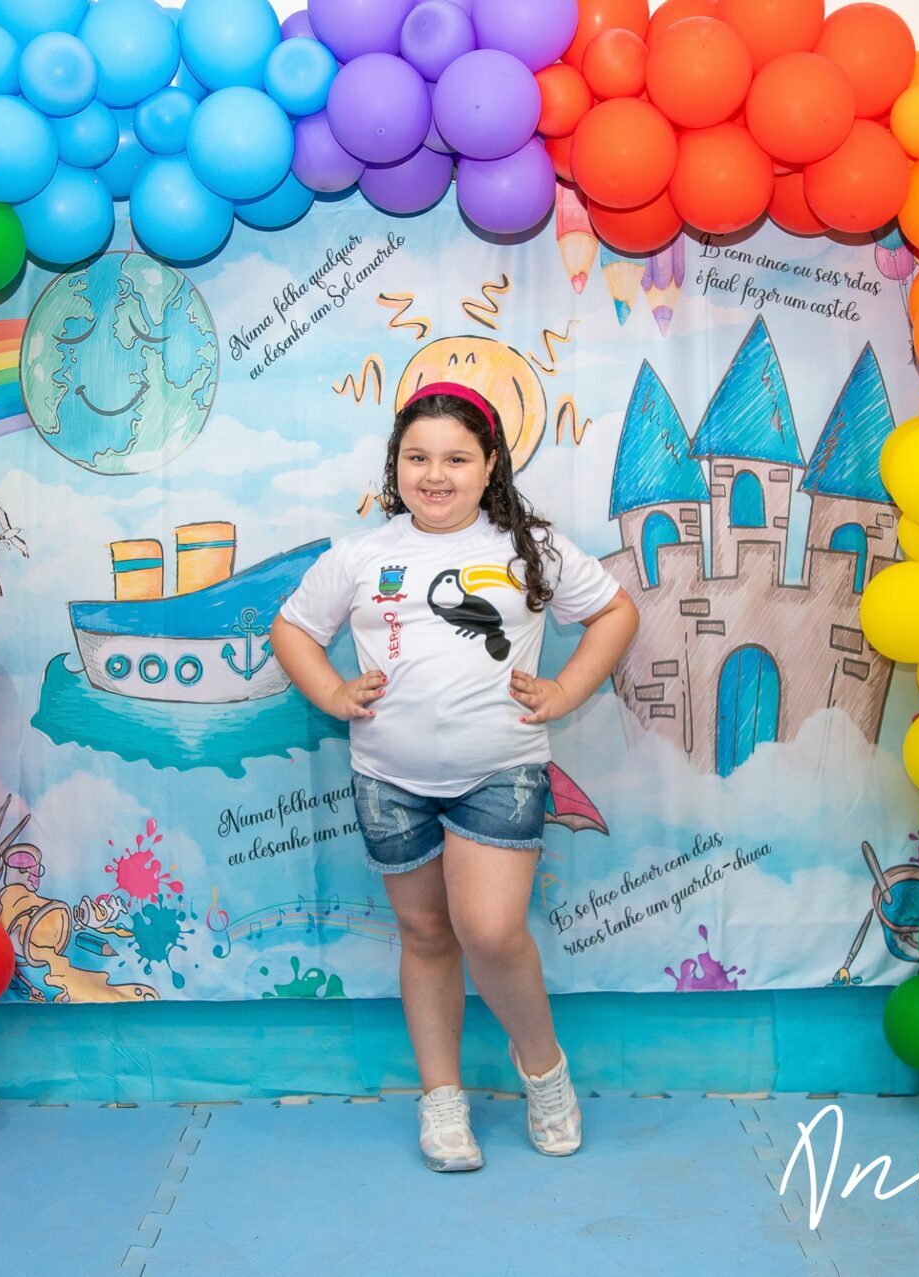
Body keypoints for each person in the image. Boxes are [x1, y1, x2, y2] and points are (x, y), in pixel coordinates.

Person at [270, 382, 639, 1173]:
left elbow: (615, 612)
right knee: (426, 933)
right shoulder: (362, 556)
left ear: (490, 463)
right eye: (418, 457)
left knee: (491, 930)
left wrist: (565, 690)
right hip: (388, 779)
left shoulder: (528, 545)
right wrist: (332, 692)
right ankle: (441, 1099)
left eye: (456, 458)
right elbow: (293, 627)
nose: (435, 474)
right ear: (396, 463)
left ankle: (544, 1069)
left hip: (500, 771)